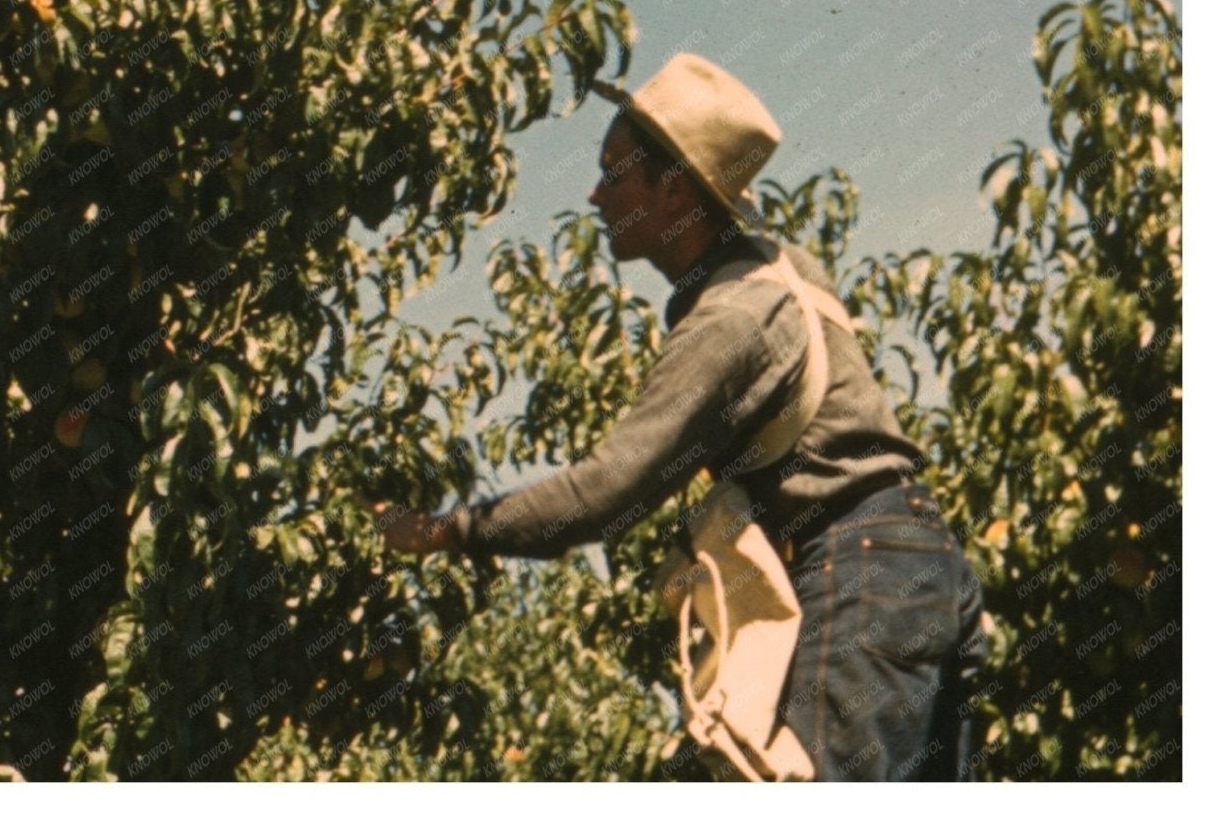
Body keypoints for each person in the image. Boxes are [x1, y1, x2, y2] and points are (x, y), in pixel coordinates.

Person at [374, 52, 986, 781]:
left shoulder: (732, 321)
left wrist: (442, 531)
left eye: (615, 173)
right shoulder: (777, 269)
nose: (596, 196)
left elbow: (601, 495)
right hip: (924, 570)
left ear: (675, 194)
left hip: (863, 574)